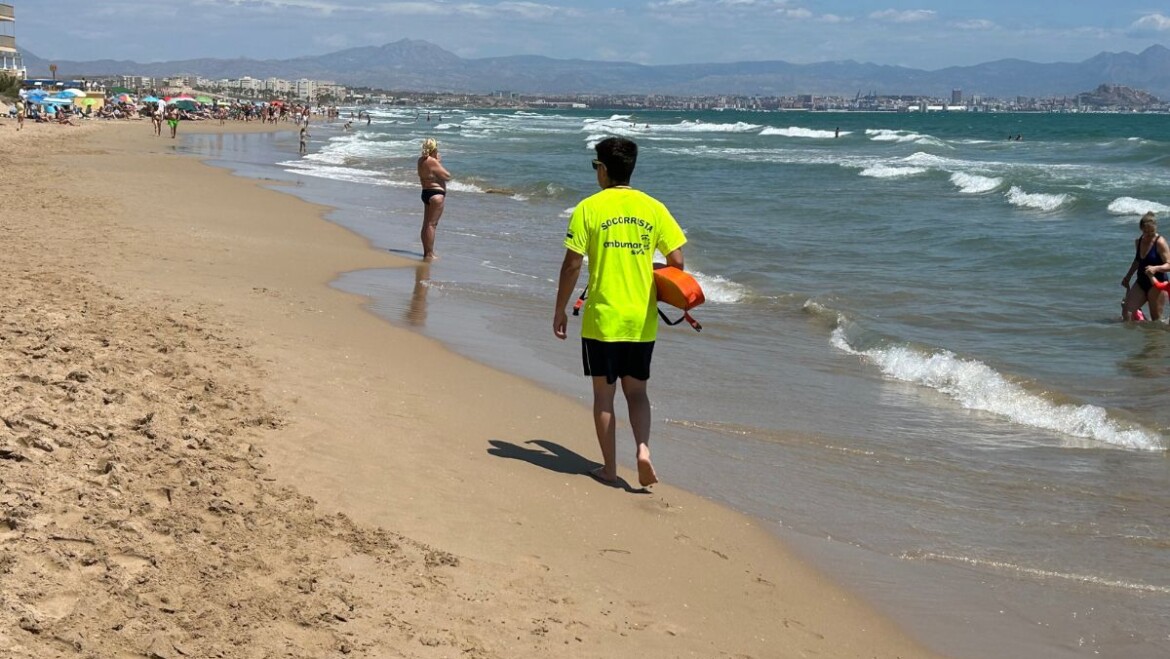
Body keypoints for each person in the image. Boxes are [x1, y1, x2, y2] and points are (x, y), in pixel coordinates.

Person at [553, 137, 687, 488]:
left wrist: (560, 309)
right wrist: (644, 269)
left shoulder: (589, 208)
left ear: (603, 169)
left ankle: (610, 469)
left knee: (604, 395)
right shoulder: (654, 208)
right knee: (637, 392)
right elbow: (677, 262)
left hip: (603, 318)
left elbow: (572, 265)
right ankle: (643, 450)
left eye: (595, 166)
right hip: (641, 319)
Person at [1122, 211, 1170, 321]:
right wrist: (1128, 277)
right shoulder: (1139, 242)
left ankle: (1156, 332)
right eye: (1145, 232)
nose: (1148, 234)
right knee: (1127, 311)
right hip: (1141, 281)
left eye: (1151, 231)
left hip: (1157, 283)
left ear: (1155, 228)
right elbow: (1137, 261)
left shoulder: (1160, 242)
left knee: (1156, 319)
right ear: (1141, 229)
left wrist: (1156, 268)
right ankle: (1141, 326)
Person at [416, 138, 451, 260]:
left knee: (426, 224)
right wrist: (438, 162)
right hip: (436, 194)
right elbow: (447, 176)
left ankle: (426, 252)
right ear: (434, 149)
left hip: (425, 192)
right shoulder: (432, 161)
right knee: (432, 225)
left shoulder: (421, 160)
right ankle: (429, 254)